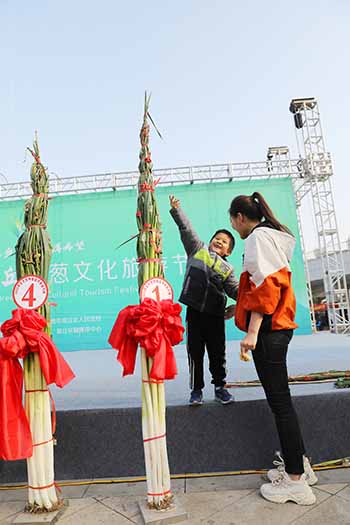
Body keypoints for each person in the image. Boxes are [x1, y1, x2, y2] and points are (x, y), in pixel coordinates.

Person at [228, 191, 317, 506]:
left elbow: (265, 288)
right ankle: (301, 465)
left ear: (240, 218)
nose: (235, 229)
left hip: (269, 331)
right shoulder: (273, 236)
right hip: (279, 327)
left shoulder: (256, 239)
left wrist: (251, 332)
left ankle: (295, 481)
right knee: (283, 403)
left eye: (233, 222)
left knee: (280, 405)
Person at [169, 195, 238, 405]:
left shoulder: (228, 269)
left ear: (229, 251)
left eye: (224, 241)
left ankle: (220, 387)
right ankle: (196, 390)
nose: (219, 241)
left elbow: (235, 290)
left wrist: (241, 303)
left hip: (216, 316)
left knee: (218, 353)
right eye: (217, 238)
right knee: (195, 353)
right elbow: (187, 229)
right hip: (195, 314)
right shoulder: (197, 250)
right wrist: (177, 210)